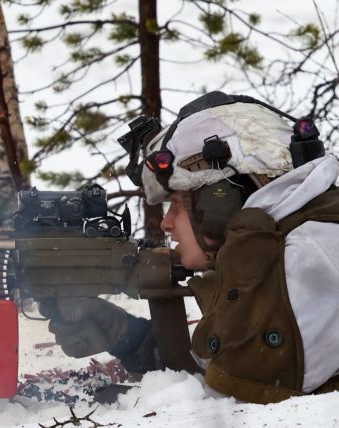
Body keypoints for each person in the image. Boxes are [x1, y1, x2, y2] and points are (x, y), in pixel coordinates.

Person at [42, 91, 339, 404]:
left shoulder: (307, 251)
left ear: (218, 202)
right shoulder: (297, 237)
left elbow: (239, 395)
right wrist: (125, 335)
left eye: (177, 206)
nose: (167, 224)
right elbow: (227, 361)